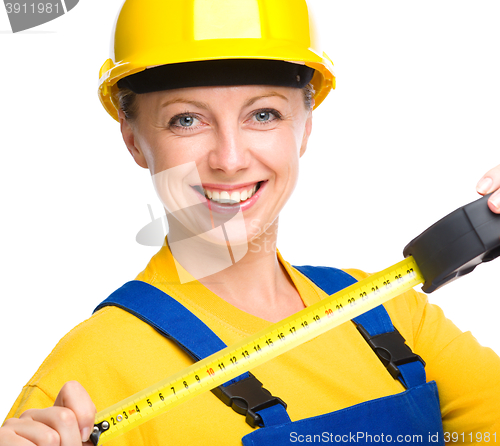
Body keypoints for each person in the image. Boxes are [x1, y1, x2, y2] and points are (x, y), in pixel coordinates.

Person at [2, 0, 500, 444]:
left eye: (262, 115)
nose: (230, 158)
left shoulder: (393, 316)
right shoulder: (87, 380)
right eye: (186, 120)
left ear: (304, 129)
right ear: (133, 140)